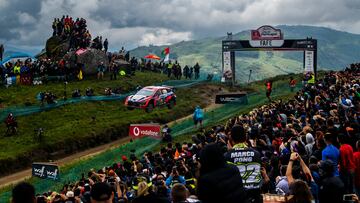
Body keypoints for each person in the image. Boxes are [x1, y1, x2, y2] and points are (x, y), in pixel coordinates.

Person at [225, 125, 262, 203]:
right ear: (245, 137)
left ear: (231, 138)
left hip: (237, 198)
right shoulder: (256, 153)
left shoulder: (226, 156)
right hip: (255, 196)